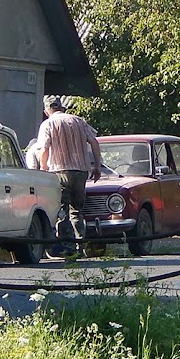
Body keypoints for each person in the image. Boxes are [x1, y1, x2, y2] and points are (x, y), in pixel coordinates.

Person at [34, 95, 102, 252]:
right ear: (61, 107)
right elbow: (94, 142)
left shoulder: (48, 124)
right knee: (77, 209)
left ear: (46, 111)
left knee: (62, 209)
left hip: (59, 170)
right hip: (81, 170)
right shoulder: (78, 121)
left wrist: (43, 168)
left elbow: (44, 148)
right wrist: (97, 166)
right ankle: (81, 243)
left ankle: (67, 246)